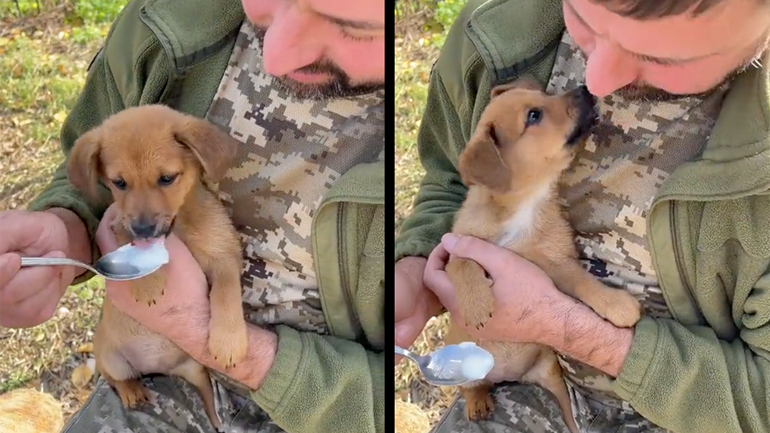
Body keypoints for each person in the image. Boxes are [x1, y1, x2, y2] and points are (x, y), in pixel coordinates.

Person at [0, 0, 385, 432]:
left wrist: (201, 329)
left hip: (327, 403)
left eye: (352, 28)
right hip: (160, 372)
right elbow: (85, 179)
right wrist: (67, 228)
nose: (275, 56)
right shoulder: (161, 21)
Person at [394, 0, 770, 432]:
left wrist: (572, 330)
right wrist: (417, 267)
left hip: (694, 412)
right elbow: (450, 180)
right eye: (586, 20)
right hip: (519, 384)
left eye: (662, 57)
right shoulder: (497, 38)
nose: (598, 80)